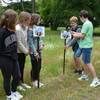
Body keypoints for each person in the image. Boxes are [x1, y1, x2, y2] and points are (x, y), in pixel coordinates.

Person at [72, 10, 100, 87]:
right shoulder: (89, 23)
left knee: (87, 62)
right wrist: (75, 33)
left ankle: (96, 80)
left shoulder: (86, 24)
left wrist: (75, 36)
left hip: (86, 46)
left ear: (82, 16)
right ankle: (85, 76)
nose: (80, 19)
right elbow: (83, 34)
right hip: (83, 45)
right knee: (78, 57)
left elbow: (82, 36)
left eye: (80, 17)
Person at [0, 9, 23, 100]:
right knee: (7, 78)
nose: (16, 20)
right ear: (10, 20)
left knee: (17, 76)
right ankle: (9, 96)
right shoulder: (2, 32)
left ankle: (14, 91)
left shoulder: (13, 30)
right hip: (4, 58)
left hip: (14, 57)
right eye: (15, 18)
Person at [28, 13, 44, 88]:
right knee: (35, 65)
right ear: (35, 20)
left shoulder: (38, 28)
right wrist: (35, 52)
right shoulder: (30, 29)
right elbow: (30, 42)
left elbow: (41, 38)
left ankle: (37, 79)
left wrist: (41, 44)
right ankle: (34, 80)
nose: (40, 20)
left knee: (39, 66)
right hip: (33, 51)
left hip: (39, 50)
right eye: (39, 19)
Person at [16, 11, 31, 91]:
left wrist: (27, 49)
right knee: (18, 69)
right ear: (24, 20)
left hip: (24, 51)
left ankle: (22, 82)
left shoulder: (26, 27)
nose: (29, 22)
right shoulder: (17, 28)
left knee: (22, 67)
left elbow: (26, 40)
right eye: (28, 20)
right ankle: (18, 83)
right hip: (18, 52)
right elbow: (18, 42)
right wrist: (26, 51)